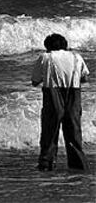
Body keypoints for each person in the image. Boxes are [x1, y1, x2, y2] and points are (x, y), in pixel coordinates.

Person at [31, 33, 90, 171]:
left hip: (52, 94)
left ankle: (47, 164)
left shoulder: (46, 57)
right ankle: (78, 166)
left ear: (48, 47)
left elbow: (34, 82)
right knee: (74, 133)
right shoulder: (77, 57)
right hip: (74, 94)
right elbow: (85, 78)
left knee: (50, 131)